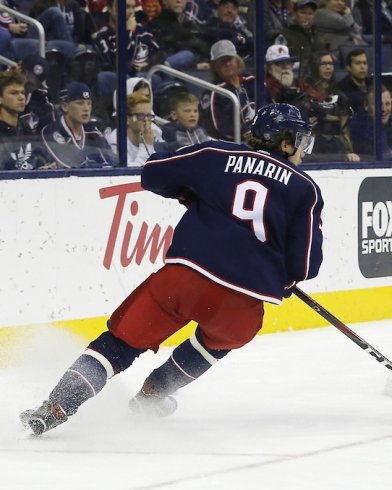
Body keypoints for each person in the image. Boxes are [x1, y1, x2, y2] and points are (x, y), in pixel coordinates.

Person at [20, 103, 324, 436]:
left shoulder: (215, 154)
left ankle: (56, 406)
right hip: (242, 301)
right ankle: (153, 394)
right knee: (215, 344)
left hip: (184, 279)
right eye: (301, 141)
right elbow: (306, 265)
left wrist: (190, 191)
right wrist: (284, 280)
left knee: (119, 345)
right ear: (283, 141)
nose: (304, 151)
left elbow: (152, 173)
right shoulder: (304, 188)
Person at [40, 81, 117, 168]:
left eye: (89, 103)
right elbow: (68, 166)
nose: (86, 108)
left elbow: (112, 164)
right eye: (80, 103)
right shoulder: (51, 132)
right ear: (65, 106)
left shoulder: (93, 133)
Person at [205, 40, 256, 141]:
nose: (227, 64)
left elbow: (269, 105)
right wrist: (247, 134)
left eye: (229, 59)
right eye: (222, 61)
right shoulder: (213, 92)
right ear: (215, 66)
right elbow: (222, 128)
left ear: (237, 60)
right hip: (236, 144)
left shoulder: (251, 80)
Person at [0, 69, 50, 170]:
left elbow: (40, 157)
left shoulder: (25, 127)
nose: (21, 97)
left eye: (22, 92)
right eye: (14, 93)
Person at [106, 92, 164, 167]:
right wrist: (147, 145)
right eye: (141, 115)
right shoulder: (116, 141)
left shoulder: (155, 132)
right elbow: (129, 173)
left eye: (149, 115)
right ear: (127, 119)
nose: (146, 120)